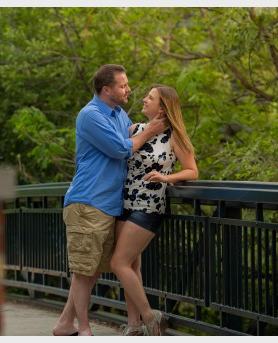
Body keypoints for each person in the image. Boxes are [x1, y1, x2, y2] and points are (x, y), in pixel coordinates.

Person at [52, 64, 168, 336]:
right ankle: (84, 330)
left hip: (109, 205)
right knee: (83, 272)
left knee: (90, 271)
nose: (129, 89)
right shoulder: (91, 115)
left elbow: (135, 138)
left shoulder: (118, 115)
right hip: (88, 202)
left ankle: (64, 324)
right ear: (107, 89)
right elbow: (120, 149)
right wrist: (149, 131)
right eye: (123, 85)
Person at [111, 85, 197, 336]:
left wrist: (167, 178)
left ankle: (150, 318)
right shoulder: (134, 129)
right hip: (123, 203)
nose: (144, 99)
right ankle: (134, 325)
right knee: (132, 265)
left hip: (149, 205)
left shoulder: (174, 136)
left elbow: (192, 170)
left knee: (118, 262)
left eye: (150, 98)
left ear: (162, 107)